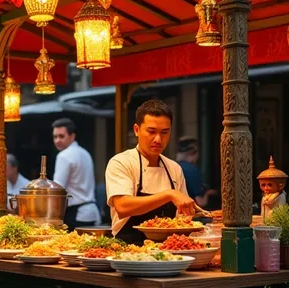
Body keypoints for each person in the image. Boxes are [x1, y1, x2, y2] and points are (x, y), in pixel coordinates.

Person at [105, 99, 195, 244]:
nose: (158, 139)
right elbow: (122, 206)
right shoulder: (121, 162)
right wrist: (169, 194)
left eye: (164, 132)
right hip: (127, 252)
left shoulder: (174, 168)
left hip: (168, 253)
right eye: (151, 131)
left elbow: (183, 219)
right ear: (136, 130)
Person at [52, 117, 101, 231]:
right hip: (91, 211)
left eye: (61, 136)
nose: (57, 140)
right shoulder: (85, 153)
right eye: (55, 137)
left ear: (72, 136)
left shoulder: (63, 155)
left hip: (77, 213)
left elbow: (58, 189)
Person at [176, 137, 216, 208]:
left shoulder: (172, 167)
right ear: (193, 153)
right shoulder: (192, 170)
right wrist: (208, 193)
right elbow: (201, 202)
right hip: (190, 213)